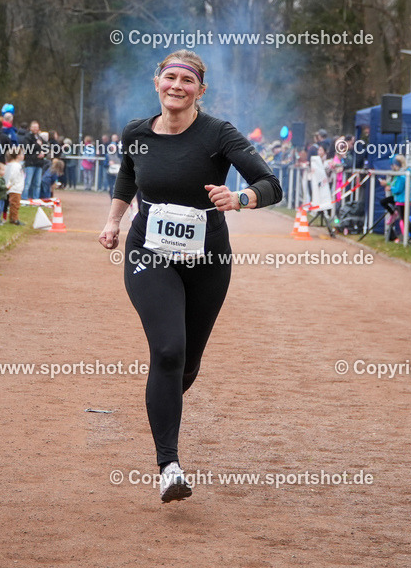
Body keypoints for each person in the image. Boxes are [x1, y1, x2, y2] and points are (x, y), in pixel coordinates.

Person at [98, 50, 282, 503]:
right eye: (170, 78)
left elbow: (271, 184)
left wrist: (240, 198)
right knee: (167, 350)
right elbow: (128, 176)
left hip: (207, 258)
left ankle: (162, 399)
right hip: (149, 251)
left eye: (187, 81)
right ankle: (169, 466)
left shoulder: (219, 133)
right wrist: (113, 221)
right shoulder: (137, 132)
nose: (177, 86)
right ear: (157, 82)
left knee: (185, 365)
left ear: (200, 90)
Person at [21, 121, 46, 200]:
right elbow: (27, 149)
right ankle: (24, 198)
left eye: (37, 127)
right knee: (28, 183)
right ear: (30, 128)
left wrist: (43, 153)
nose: (35, 129)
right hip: (30, 163)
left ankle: (35, 199)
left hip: (39, 163)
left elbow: (46, 146)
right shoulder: (27, 137)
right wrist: (37, 144)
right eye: (34, 127)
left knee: (37, 184)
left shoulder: (39, 137)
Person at [5, 150, 25, 225]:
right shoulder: (16, 166)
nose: (23, 156)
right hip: (15, 188)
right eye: (22, 154)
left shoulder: (11, 165)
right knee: (15, 204)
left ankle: (12, 218)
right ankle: (14, 219)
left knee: (14, 204)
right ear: (17, 156)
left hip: (15, 187)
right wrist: (10, 185)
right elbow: (13, 176)